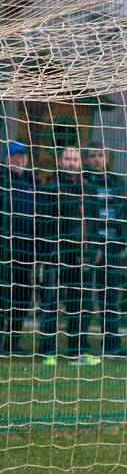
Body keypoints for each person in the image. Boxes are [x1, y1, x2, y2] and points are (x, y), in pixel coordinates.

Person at [39, 146, 97, 366]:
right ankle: (48, 352)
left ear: (80, 162)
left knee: (81, 305)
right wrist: (47, 251)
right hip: (57, 254)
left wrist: (94, 249)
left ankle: (77, 351)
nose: (72, 163)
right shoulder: (52, 188)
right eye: (68, 159)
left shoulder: (89, 189)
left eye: (75, 159)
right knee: (52, 303)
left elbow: (93, 223)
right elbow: (43, 223)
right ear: (61, 161)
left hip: (83, 256)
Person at [83, 143, 127, 357]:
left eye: (100, 155)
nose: (96, 159)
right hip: (90, 247)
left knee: (109, 298)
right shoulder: (83, 182)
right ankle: (79, 346)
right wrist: (92, 245)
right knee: (83, 297)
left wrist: (122, 240)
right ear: (87, 159)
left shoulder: (117, 182)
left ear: (107, 158)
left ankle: (112, 345)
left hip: (112, 247)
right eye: (92, 156)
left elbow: (125, 214)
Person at [0, 142, 37, 356]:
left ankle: (12, 343)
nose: (20, 159)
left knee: (21, 297)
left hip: (26, 251)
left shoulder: (31, 182)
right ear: (8, 158)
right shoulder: (3, 180)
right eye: (15, 156)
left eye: (23, 156)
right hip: (5, 250)